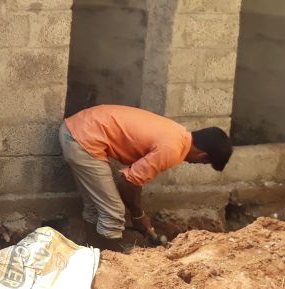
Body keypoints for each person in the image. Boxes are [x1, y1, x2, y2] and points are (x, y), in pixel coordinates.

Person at [60, 104, 233, 249]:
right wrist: (137, 214)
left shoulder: (177, 133)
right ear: (203, 156)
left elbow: (134, 180)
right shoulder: (172, 150)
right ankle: (110, 264)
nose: (197, 164)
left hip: (75, 129)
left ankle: (91, 252)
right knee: (114, 213)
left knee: (95, 207)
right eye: (204, 163)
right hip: (82, 140)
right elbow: (128, 181)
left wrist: (138, 214)